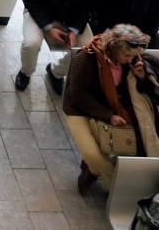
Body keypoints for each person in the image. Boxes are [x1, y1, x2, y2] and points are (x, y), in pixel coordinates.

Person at [63, 24, 150, 195]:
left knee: (128, 143)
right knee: (93, 154)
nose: (129, 59)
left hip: (112, 106)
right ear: (115, 49)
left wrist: (140, 77)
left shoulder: (129, 62)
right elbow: (77, 94)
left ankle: (92, 171)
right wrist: (108, 115)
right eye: (127, 55)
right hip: (79, 109)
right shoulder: (85, 58)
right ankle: (119, 191)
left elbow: (135, 91)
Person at [16, 0, 102, 94]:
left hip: (70, 19)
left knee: (86, 49)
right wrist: (48, 27)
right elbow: (30, 0)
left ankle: (56, 73)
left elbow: (88, 6)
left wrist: (74, 30)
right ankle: (25, 72)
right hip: (39, 15)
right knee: (31, 44)